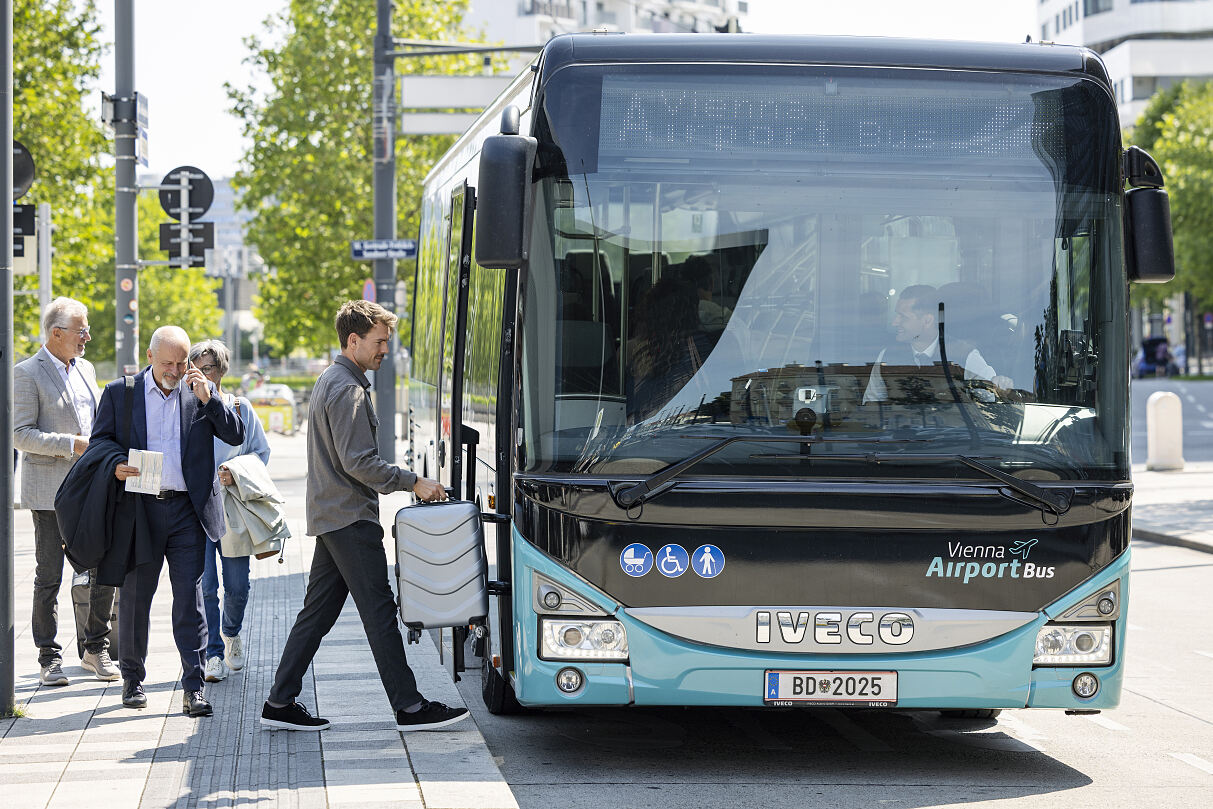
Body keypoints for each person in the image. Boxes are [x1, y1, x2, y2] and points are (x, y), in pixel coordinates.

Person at [260, 300, 468, 733]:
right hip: (350, 518)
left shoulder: (331, 379)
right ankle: (410, 707)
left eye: (386, 342)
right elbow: (359, 462)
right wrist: (414, 481)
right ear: (353, 340)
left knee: (317, 615)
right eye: (379, 342)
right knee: (378, 612)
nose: (384, 350)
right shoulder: (347, 389)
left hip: (334, 515)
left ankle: (279, 701)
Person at [93, 326, 245, 716]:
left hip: (186, 512)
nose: (175, 371)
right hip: (139, 509)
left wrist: (211, 398)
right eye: (167, 364)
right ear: (149, 357)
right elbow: (100, 442)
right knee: (135, 597)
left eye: (181, 363)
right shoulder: (121, 393)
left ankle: (194, 687)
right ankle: (132, 679)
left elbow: (235, 434)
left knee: (190, 601)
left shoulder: (199, 394)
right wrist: (116, 463)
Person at [14, 298, 117, 686]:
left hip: (92, 489)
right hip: (50, 494)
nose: (87, 337)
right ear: (56, 333)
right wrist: (71, 444)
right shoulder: (26, 373)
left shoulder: (86, 368)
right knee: (49, 577)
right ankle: (49, 656)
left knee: (103, 568)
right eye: (81, 330)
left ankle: (95, 648)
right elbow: (20, 434)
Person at [189, 340, 270, 685]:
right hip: (196, 509)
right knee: (206, 586)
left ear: (221, 371)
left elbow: (261, 453)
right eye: (194, 369)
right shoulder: (185, 408)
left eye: (207, 368)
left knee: (237, 586)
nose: (200, 375)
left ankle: (232, 632)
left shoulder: (239, 407)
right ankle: (213, 653)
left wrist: (235, 473)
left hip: (233, 507)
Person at [863, 284, 1013, 403]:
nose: (895, 322)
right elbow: (871, 404)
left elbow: (990, 399)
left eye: (903, 317)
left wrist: (1001, 386)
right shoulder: (888, 355)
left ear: (927, 320)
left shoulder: (964, 354)